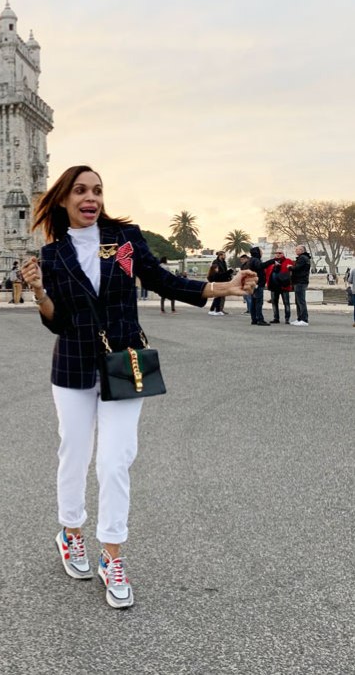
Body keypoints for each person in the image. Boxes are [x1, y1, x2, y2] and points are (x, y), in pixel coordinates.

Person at [20, 166, 256, 610]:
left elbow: (163, 281)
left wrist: (225, 285)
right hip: (72, 365)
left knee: (115, 460)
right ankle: (70, 534)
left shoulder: (124, 242)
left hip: (125, 361)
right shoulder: (51, 256)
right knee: (74, 452)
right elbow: (56, 320)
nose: (91, 198)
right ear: (63, 200)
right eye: (81, 191)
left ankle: (112, 555)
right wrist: (38, 291)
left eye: (98, 191)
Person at [263, 251, 294, 324]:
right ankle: (276, 318)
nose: (278, 254)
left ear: (283, 254)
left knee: (286, 303)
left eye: (280, 253)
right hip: (274, 286)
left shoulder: (288, 261)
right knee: (274, 303)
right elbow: (266, 272)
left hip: (284, 286)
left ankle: (287, 318)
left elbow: (292, 271)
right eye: (276, 253)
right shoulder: (271, 262)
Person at [288, 244, 311, 325]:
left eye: (298, 249)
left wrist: (290, 267)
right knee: (298, 301)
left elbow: (297, 268)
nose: (296, 251)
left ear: (302, 250)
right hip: (299, 281)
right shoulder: (304, 258)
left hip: (300, 281)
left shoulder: (302, 258)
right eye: (296, 249)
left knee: (301, 301)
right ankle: (300, 318)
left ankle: (304, 320)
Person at [247, 246, 269, 325]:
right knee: (258, 302)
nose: (262, 252)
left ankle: (254, 319)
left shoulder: (251, 260)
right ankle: (260, 319)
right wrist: (272, 261)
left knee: (254, 302)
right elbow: (260, 266)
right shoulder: (256, 260)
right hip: (258, 284)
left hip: (253, 284)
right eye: (260, 251)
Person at [207, 252, 232, 316]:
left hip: (223, 280)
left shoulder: (224, 262)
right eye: (224, 255)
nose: (225, 256)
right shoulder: (215, 262)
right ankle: (217, 309)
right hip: (218, 281)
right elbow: (216, 274)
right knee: (218, 297)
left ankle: (219, 309)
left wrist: (228, 277)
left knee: (221, 296)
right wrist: (227, 273)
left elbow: (224, 271)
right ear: (220, 255)